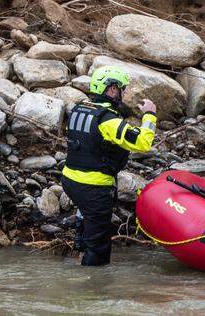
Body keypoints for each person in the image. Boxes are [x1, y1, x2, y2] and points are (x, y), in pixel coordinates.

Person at [62, 65, 157, 266]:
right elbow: (143, 143)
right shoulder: (108, 121)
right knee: (99, 247)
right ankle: (93, 286)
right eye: (121, 88)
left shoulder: (79, 109)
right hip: (93, 187)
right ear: (112, 90)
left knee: (87, 218)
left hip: (70, 181)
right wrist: (149, 115)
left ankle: (80, 245)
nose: (123, 93)